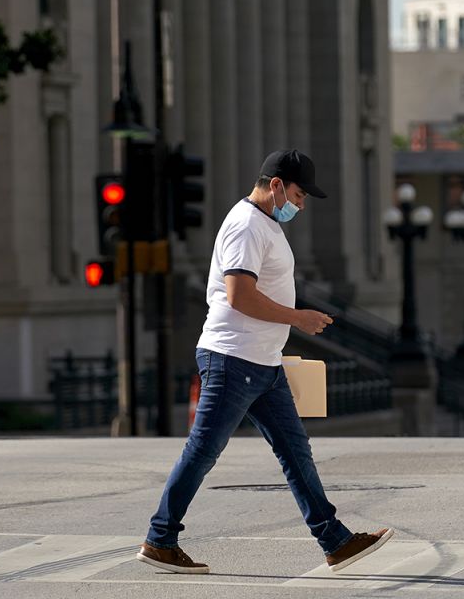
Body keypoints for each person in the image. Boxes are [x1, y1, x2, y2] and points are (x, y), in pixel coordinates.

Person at [137, 149, 393, 575]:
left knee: (296, 453)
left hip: (261, 363)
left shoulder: (266, 223)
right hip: (231, 359)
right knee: (204, 450)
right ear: (275, 185)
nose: (301, 203)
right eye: (298, 193)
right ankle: (160, 539)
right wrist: (298, 318)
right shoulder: (246, 225)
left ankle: (335, 540)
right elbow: (239, 294)